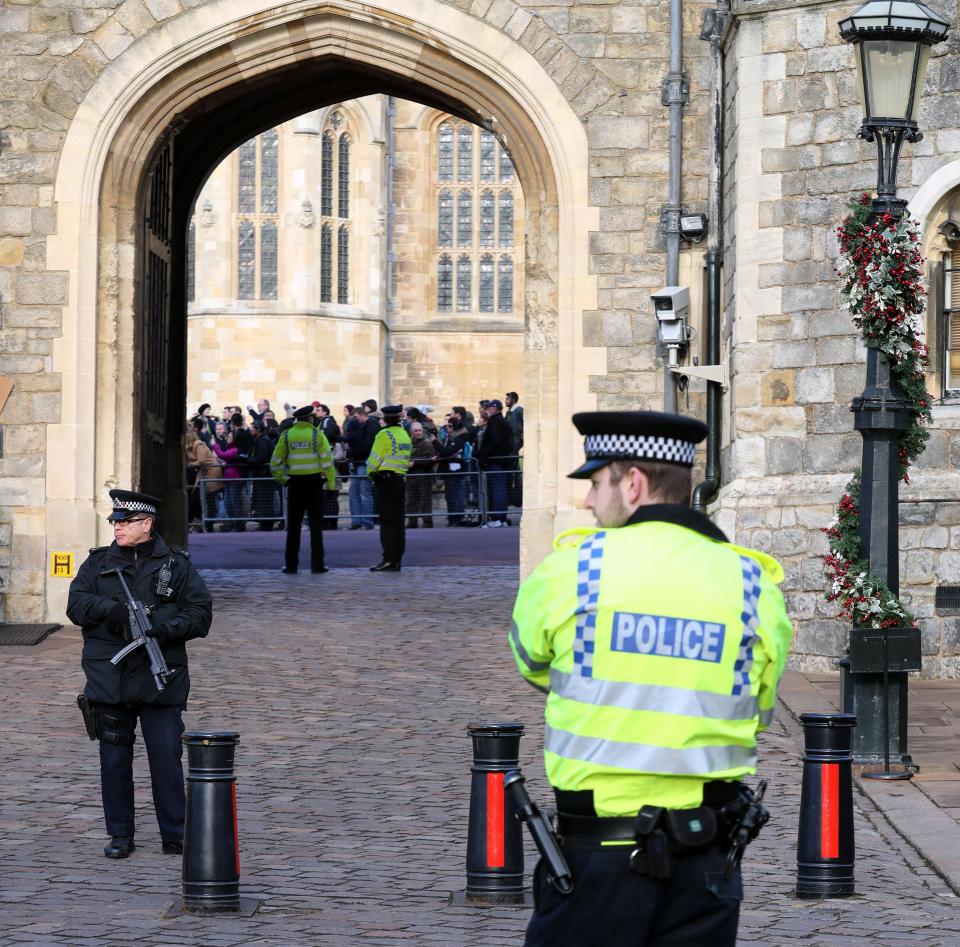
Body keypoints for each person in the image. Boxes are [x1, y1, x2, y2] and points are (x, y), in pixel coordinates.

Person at [508, 411, 793, 947]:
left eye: (596, 483)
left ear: (633, 482)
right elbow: (758, 707)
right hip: (706, 859)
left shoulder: (573, 569)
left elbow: (531, 660)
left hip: (596, 861)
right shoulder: (753, 583)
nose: (590, 502)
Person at [67, 489, 213, 859]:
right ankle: (120, 835)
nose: (116, 527)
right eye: (114, 521)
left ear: (146, 524)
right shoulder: (97, 564)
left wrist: (164, 629)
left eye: (124, 522)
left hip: (160, 677)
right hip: (109, 679)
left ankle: (175, 834)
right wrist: (111, 611)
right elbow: (76, 604)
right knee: (114, 764)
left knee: (166, 760)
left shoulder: (176, 565)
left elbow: (200, 613)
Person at [270, 404, 336, 574]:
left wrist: (283, 480)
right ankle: (318, 565)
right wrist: (330, 486)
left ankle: (291, 565)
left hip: (295, 485)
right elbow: (328, 464)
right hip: (314, 484)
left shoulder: (286, 436)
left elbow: (275, 463)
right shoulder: (317, 434)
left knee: (293, 528)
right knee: (316, 528)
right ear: (310, 418)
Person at [366, 404, 412, 572]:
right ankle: (397, 559)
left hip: (385, 481)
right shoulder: (404, 435)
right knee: (399, 521)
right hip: (400, 479)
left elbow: (374, 459)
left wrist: (371, 472)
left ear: (385, 419)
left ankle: (388, 559)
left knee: (386, 522)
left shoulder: (383, 435)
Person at [477, 399, 515, 527]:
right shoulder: (501, 422)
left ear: (496, 408)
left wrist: (482, 457)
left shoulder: (496, 422)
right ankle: (501, 518)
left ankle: (498, 518)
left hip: (496, 460)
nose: (487, 409)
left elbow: (492, 442)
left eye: (489, 407)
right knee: (500, 490)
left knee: (497, 490)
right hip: (501, 460)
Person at [406, 421, 436, 528]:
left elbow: (431, 460)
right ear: (411, 432)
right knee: (411, 500)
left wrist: (415, 462)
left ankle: (427, 522)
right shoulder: (408, 443)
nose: (418, 433)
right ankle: (412, 522)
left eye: (420, 430)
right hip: (411, 477)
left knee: (425, 501)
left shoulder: (427, 443)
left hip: (424, 476)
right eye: (416, 431)